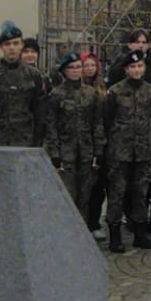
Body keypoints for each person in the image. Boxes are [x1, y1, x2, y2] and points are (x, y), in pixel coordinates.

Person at [103, 50, 151, 252]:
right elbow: (107, 118)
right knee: (117, 193)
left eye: (139, 66)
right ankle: (115, 236)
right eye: (132, 67)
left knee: (140, 192)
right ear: (126, 70)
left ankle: (140, 233)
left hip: (143, 151)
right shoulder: (115, 92)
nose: (136, 70)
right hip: (120, 152)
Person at [45, 53, 103, 225]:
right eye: (72, 67)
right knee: (67, 195)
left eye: (79, 66)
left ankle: (83, 234)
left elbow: (98, 124)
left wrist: (98, 151)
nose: (76, 71)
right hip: (66, 153)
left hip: (87, 153)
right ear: (64, 71)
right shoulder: (56, 94)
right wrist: (54, 154)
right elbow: (51, 126)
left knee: (85, 196)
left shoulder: (91, 94)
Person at [0, 21, 46, 146]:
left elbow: (39, 113)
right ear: (1, 47)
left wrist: (38, 144)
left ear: (21, 45)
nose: (12, 48)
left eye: (16, 43)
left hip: (25, 141)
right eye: (7, 44)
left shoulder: (34, 76)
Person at [81, 51, 110, 240]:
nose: (89, 68)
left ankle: (94, 222)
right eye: (86, 65)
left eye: (93, 65)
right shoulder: (77, 89)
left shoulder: (102, 88)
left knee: (99, 187)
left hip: (101, 142)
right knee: (83, 187)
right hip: (82, 142)